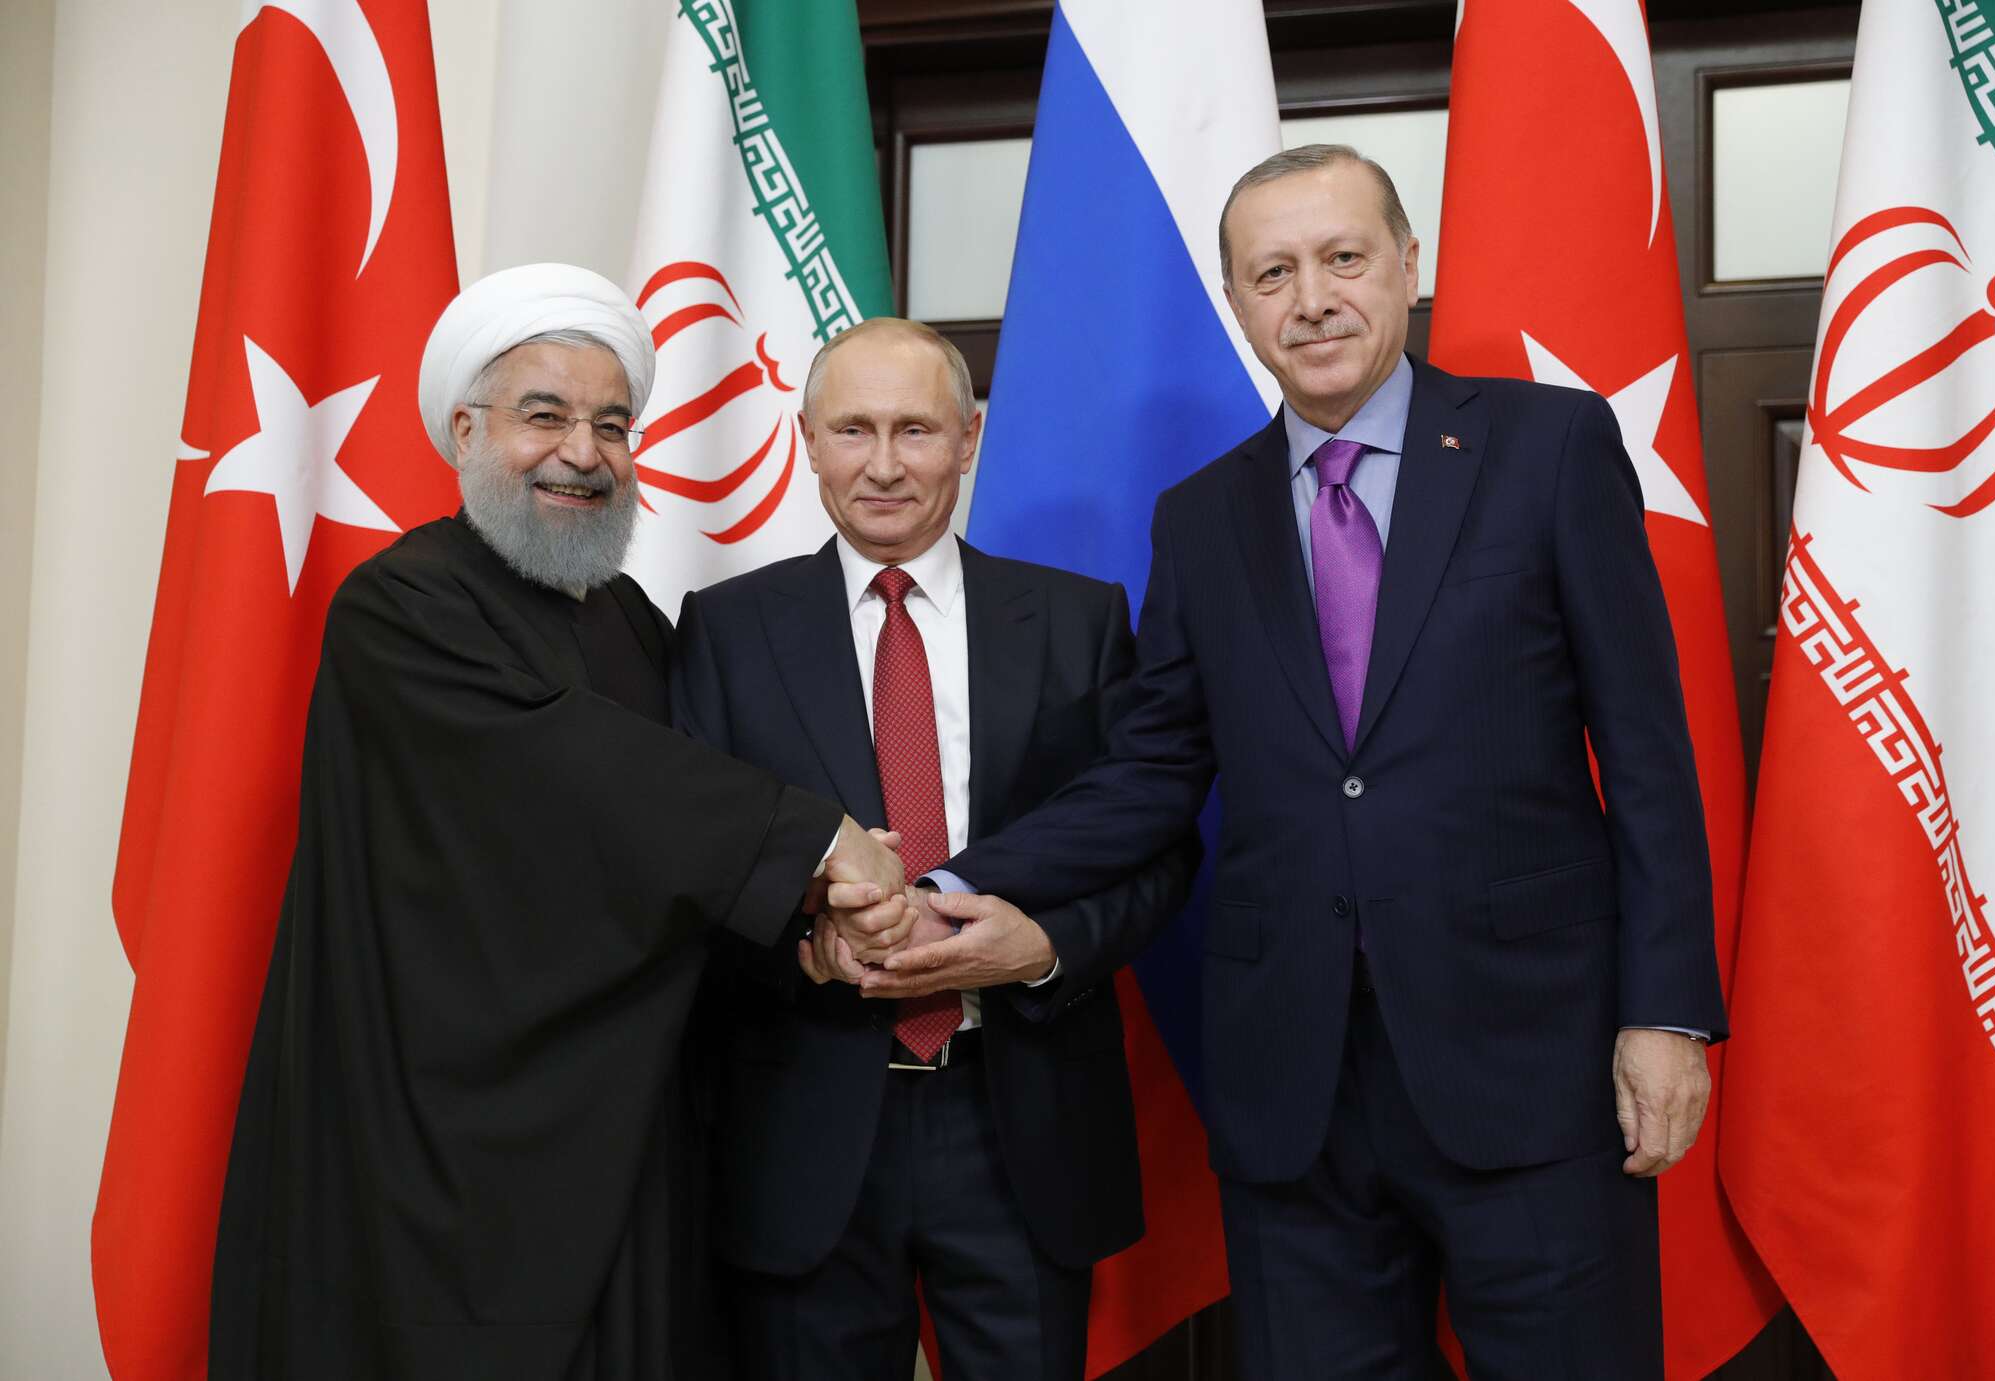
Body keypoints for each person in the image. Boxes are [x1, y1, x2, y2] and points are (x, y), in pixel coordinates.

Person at [903, 146, 1727, 1379]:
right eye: (1272, 273)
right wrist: (953, 883)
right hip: (1293, 1089)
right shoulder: (1200, 516)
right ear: (1236, 303)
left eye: (1342, 258)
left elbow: (1648, 753)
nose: (1312, 299)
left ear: (1406, 264)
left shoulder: (1546, 446)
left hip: (1532, 1065)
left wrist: (1663, 1011)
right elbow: (1150, 771)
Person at [208, 263, 911, 1381]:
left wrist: (804, 940)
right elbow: (574, 776)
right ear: (464, 431)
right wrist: (815, 841)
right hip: (442, 1151)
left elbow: (668, 849)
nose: (582, 453)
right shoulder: (401, 604)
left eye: (612, 425)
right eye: (544, 416)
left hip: (625, 1122)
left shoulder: (627, 617)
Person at [672, 317, 1197, 1381]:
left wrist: (1042, 949)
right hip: (805, 1131)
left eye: (914, 429)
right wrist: (809, 947)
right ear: (807, 442)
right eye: (852, 430)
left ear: (967, 438)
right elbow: (689, 869)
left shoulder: (1077, 619)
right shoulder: (725, 630)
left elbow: (1154, 848)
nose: (882, 464)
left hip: (1020, 1119)